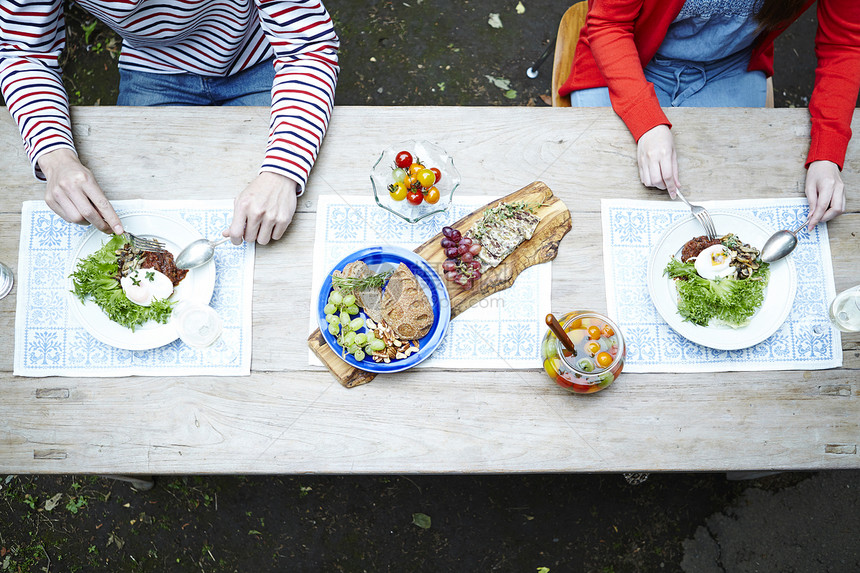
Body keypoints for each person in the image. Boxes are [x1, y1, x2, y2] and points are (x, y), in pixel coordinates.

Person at [0, 0, 339, 245]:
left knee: (289, 223)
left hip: (262, 56)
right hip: (153, 66)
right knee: (138, 217)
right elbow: (23, 52)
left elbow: (308, 45)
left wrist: (283, 171)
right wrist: (55, 156)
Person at [559, 0, 860, 231]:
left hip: (729, 67)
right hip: (629, 55)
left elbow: (844, 44)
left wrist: (827, 154)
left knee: (733, 210)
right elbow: (609, 24)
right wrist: (645, 120)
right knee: (598, 199)